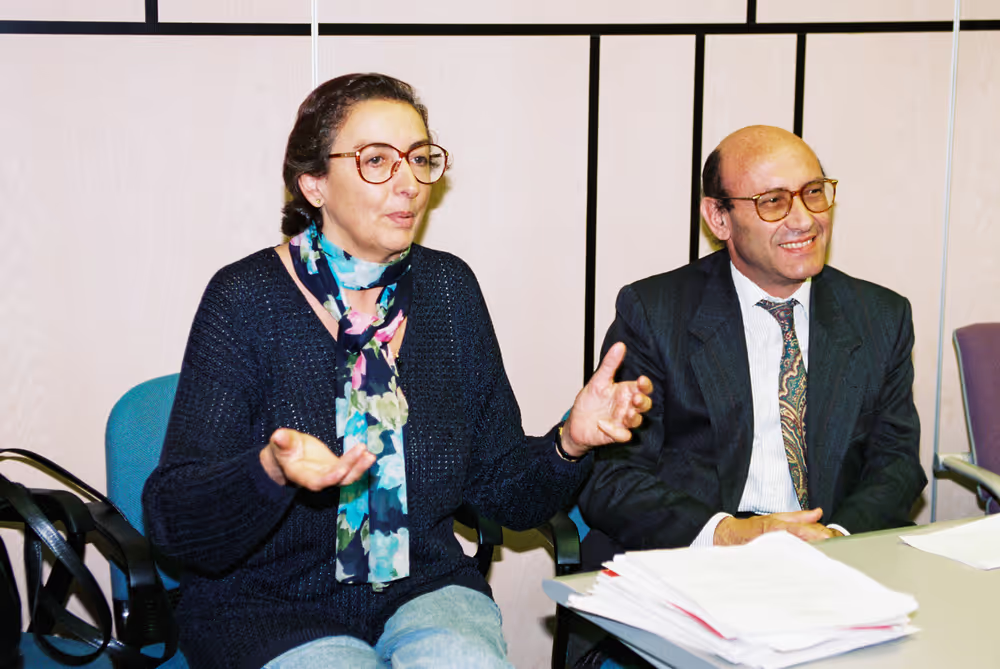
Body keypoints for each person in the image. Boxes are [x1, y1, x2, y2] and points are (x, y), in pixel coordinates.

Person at [142, 73, 652, 669]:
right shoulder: (244, 299)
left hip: (424, 587)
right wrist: (268, 472)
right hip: (266, 603)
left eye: (419, 158)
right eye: (377, 160)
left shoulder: (448, 289)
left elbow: (500, 494)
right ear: (313, 184)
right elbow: (173, 519)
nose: (409, 183)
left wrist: (569, 443)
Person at [578, 125, 926, 564]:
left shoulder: (880, 317)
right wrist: (729, 534)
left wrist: (836, 540)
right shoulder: (655, 313)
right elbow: (613, 477)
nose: (804, 219)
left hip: (835, 552)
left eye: (814, 192)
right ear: (719, 218)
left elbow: (895, 465)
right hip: (705, 557)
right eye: (773, 201)